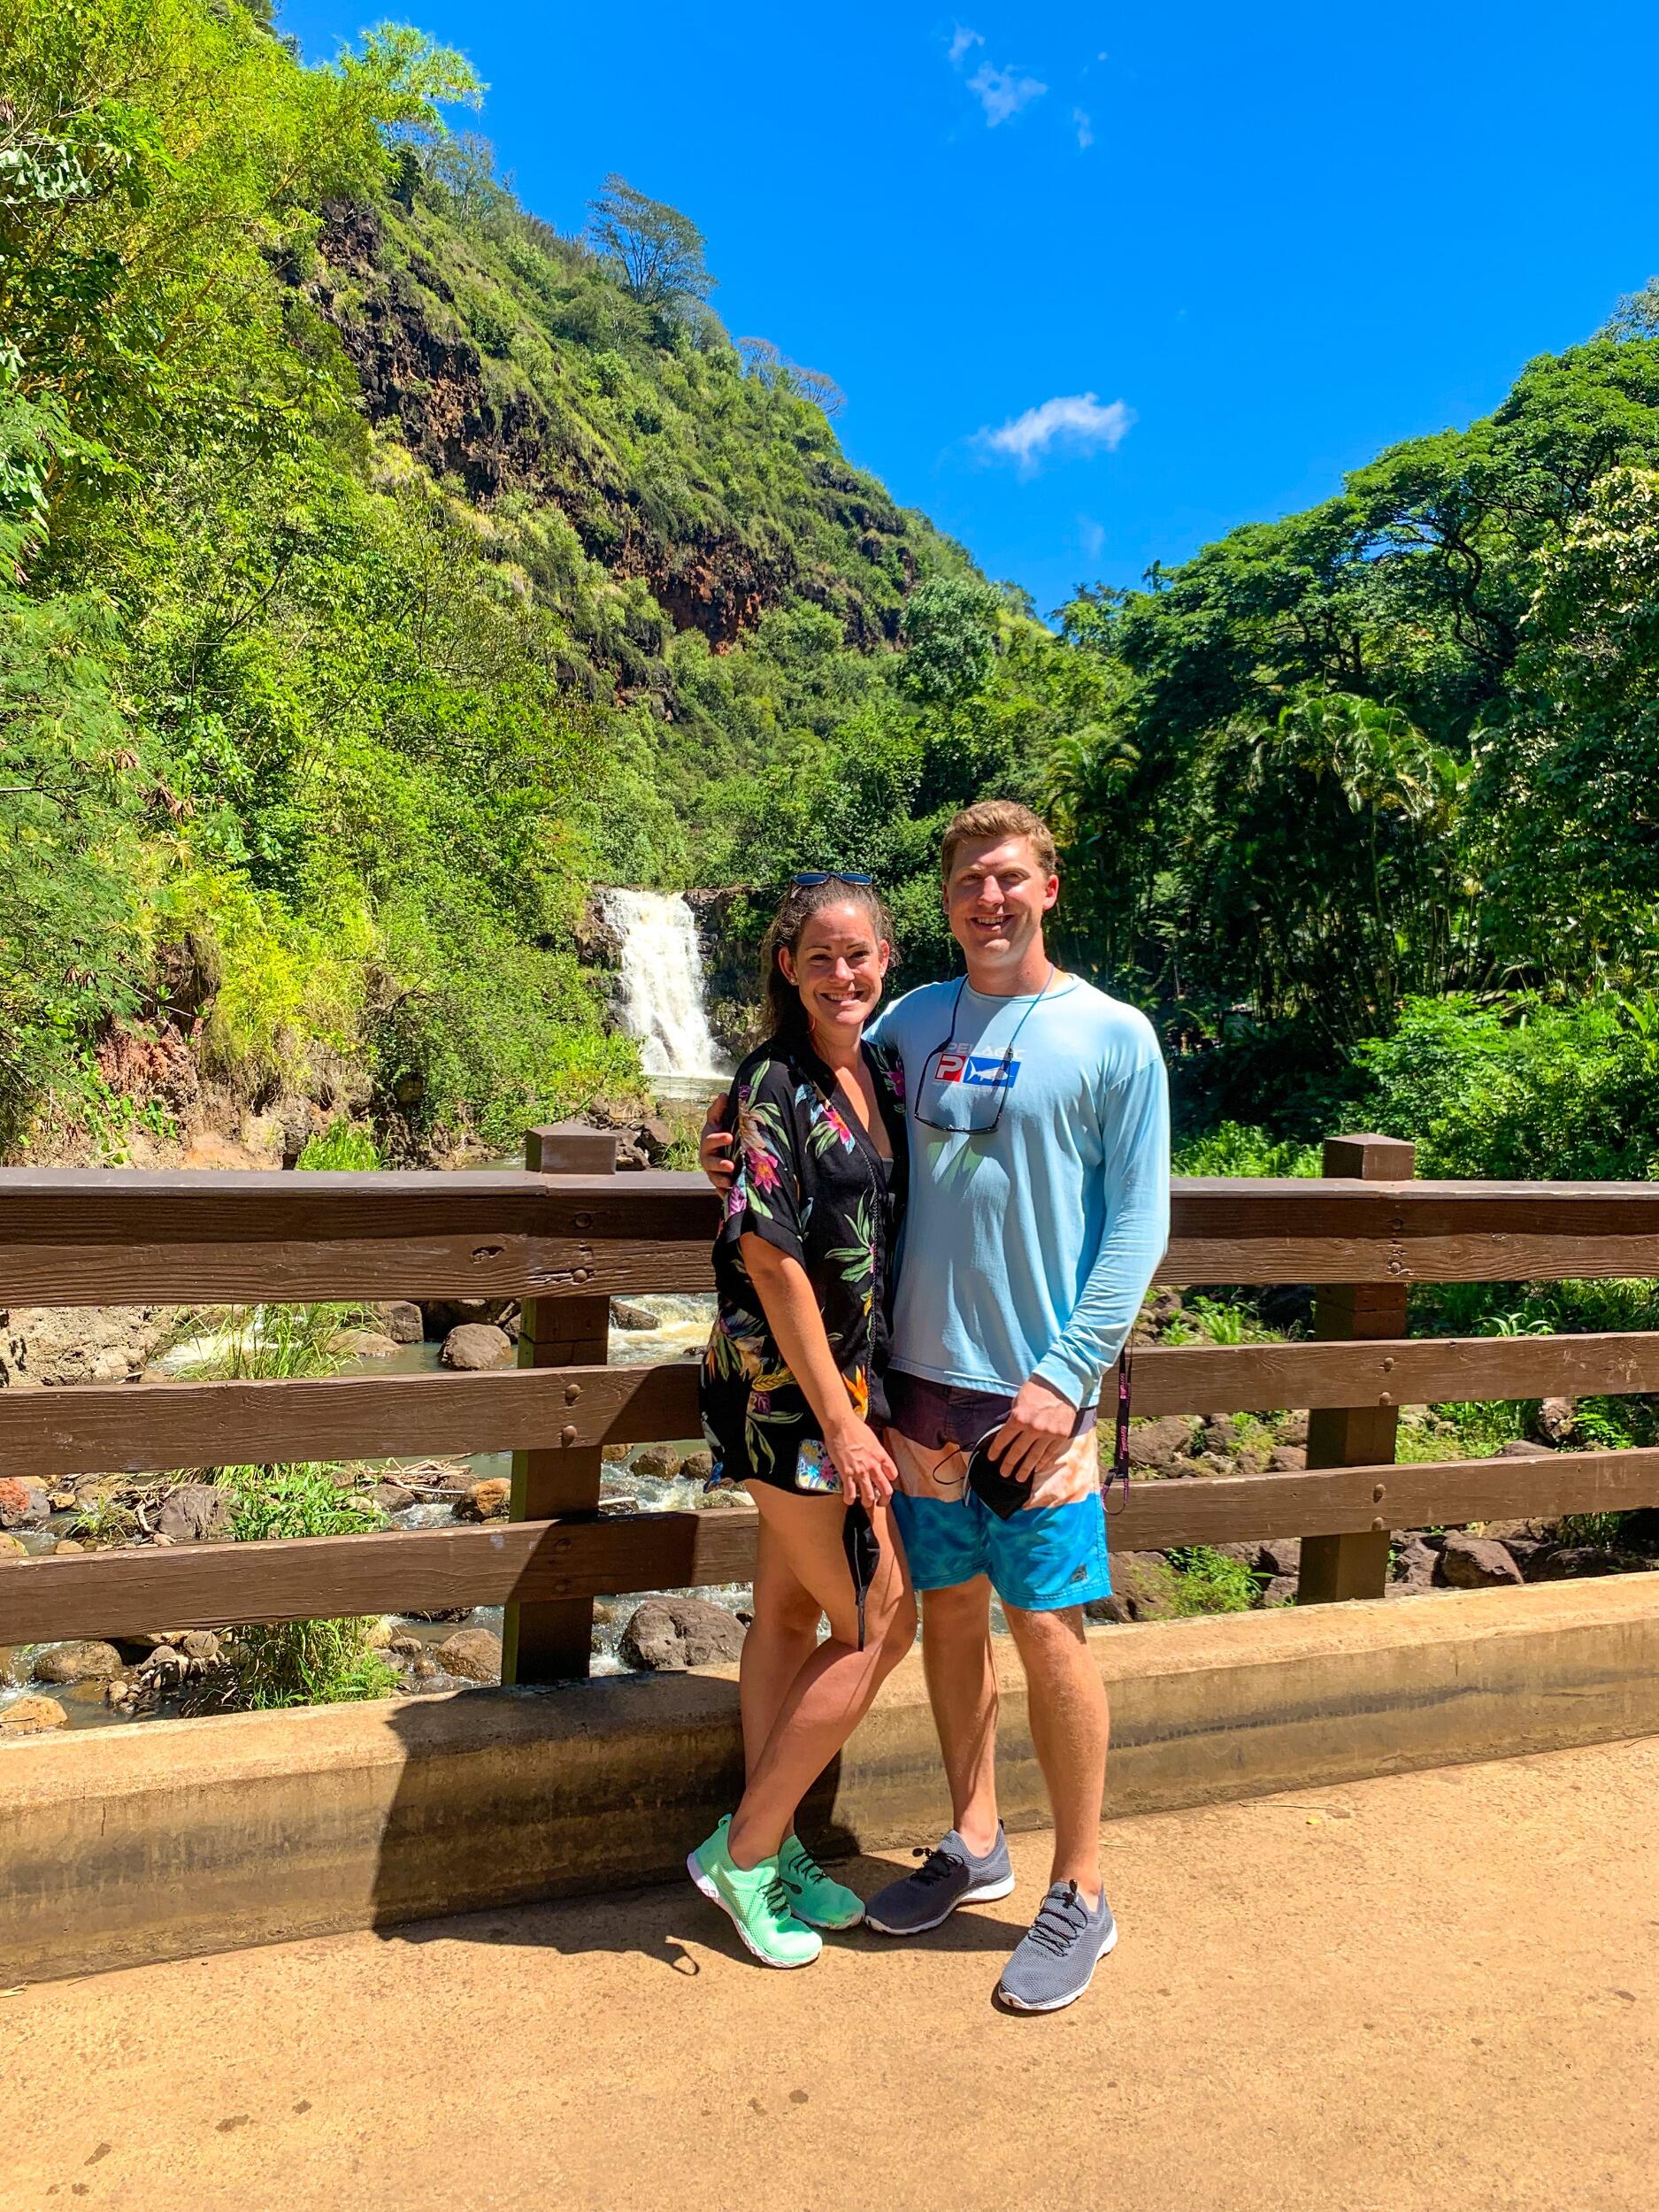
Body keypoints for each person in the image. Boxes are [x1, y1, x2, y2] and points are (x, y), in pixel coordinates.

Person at [702, 801, 1169, 2011]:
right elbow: (801, 1113)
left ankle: (1078, 1890)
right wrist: (724, 1150)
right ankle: (974, 1841)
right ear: (945, 903)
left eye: (1008, 878)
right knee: (946, 1617)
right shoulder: (906, 1025)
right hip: (909, 1393)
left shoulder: (1112, 1038)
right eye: (968, 882)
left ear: (1048, 887)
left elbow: (1140, 1223)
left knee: (1051, 1630)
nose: (988, 899)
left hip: (1033, 1399)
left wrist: (1067, 1376)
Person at [687, 873, 917, 1970]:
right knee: (883, 1621)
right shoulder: (773, 1078)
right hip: (789, 1398)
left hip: (844, 1390)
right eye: (820, 955)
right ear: (787, 965)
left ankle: (768, 1852)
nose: (842, 973)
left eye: (859, 954)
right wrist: (845, 1420)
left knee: (787, 1620)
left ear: (885, 962)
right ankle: (745, 1849)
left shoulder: (878, 1067)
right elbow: (773, 1258)